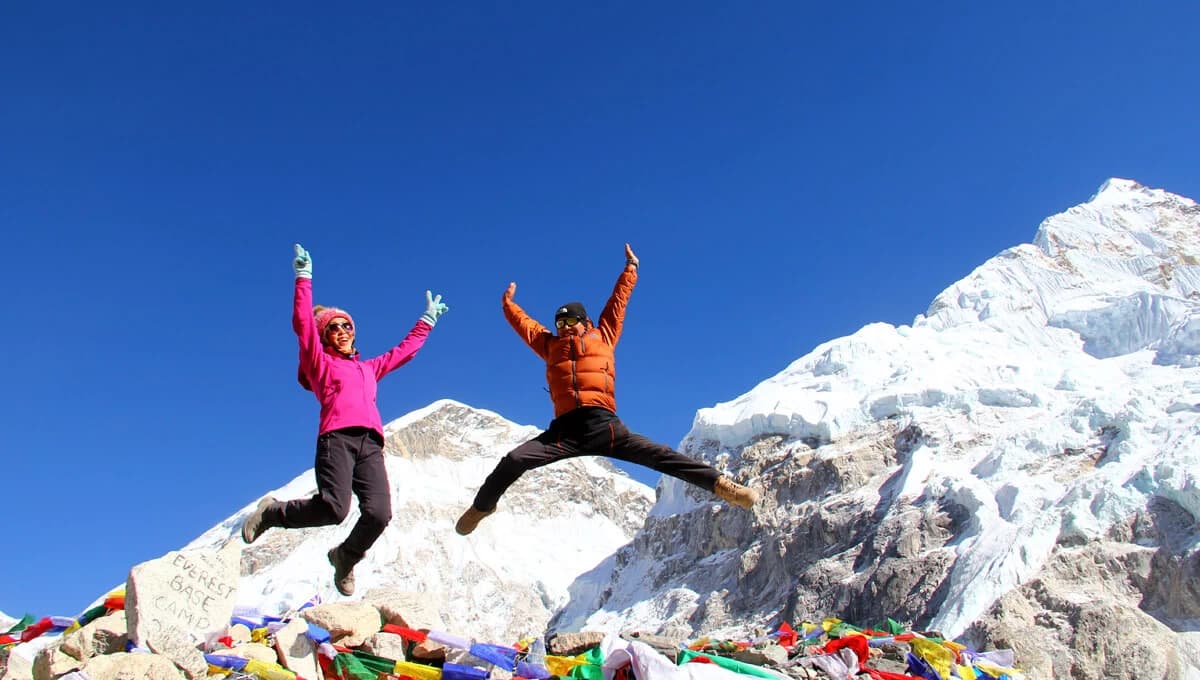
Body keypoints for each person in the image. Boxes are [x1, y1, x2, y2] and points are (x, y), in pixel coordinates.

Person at [455, 243, 759, 536]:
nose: (565, 327)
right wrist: (508, 305)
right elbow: (526, 325)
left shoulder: (604, 335)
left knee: (662, 456)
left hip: (604, 425)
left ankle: (722, 486)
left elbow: (618, 301)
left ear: (585, 321)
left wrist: (631, 268)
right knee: (515, 460)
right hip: (563, 432)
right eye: (560, 322)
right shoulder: (550, 346)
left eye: (570, 320)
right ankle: (482, 507)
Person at [241, 243, 449, 596]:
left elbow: (403, 352)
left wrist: (426, 321)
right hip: (336, 438)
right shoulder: (320, 364)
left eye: (346, 325)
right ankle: (274, 513)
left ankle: (345, 556)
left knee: (380, 513)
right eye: (333, 328)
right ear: (325, 337)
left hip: (370, 444)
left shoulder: (368, 368)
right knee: (335, 509)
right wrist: (303, 278)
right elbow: (303, 325)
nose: (341, 330)